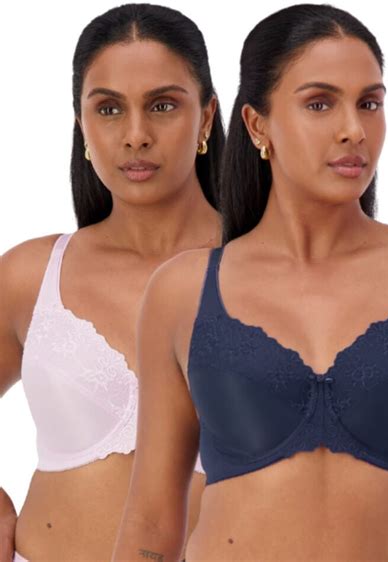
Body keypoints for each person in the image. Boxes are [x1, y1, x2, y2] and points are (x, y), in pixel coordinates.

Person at [112, 4, 388, 562]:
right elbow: (152, 521)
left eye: (369, 103)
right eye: (320, 103)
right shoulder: (183, 290)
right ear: (258, 125)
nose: (353, 129)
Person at [0, 4, 224, 561]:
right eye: (108, 109)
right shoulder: (32, 276)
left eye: (163, 105)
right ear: (81, 124)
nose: (136, 135)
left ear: (205, 118)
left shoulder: (275, 270)